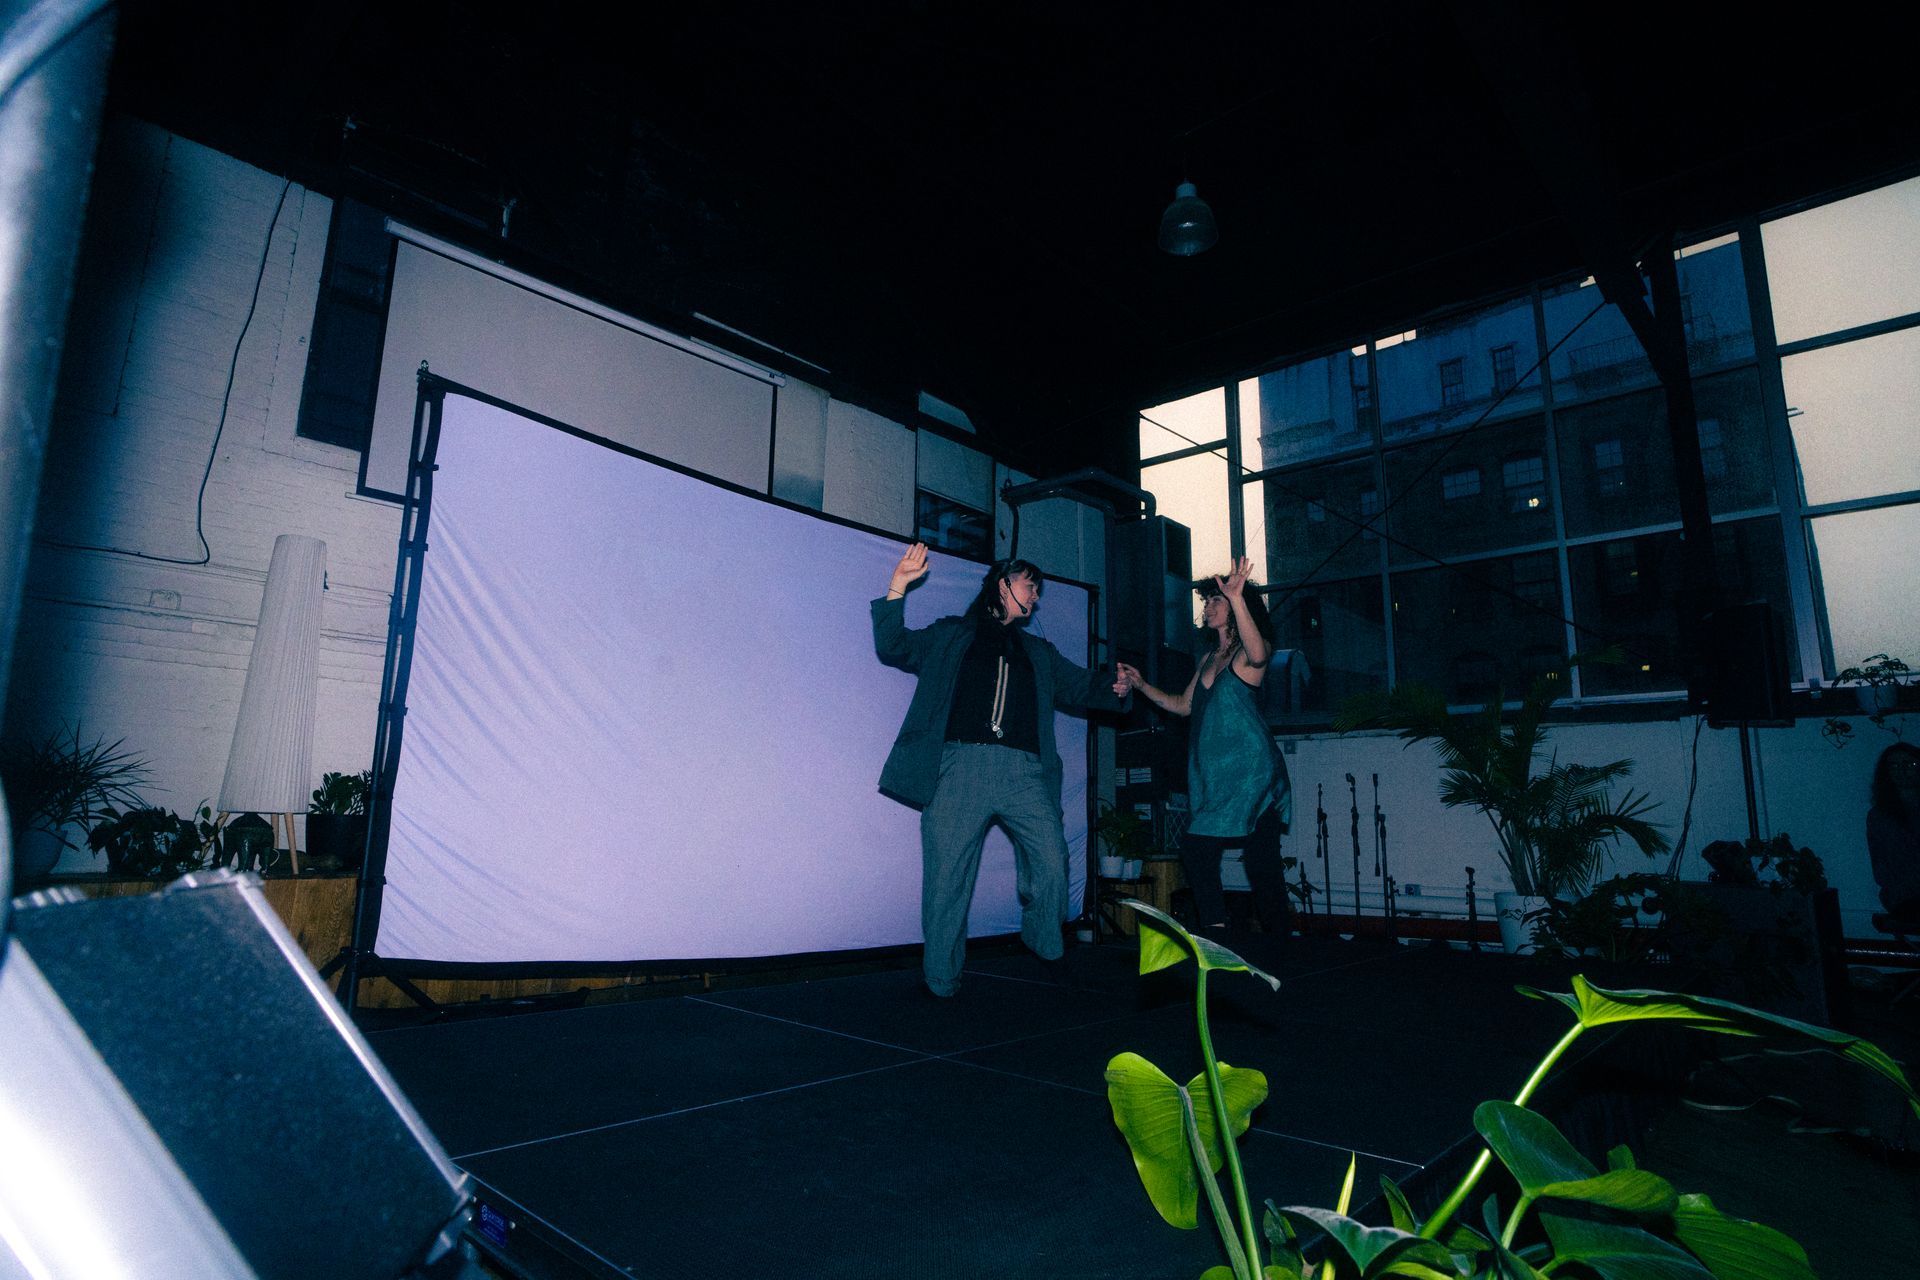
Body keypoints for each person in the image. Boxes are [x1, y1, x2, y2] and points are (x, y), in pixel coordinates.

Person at [873, 543, 1130, 997]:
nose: (1035, 598)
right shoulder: (952, 634)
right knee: (946, 879)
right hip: (960, 769)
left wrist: (1117, 684)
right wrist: (898, 586)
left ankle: (1045, 943)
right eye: (1030, 587)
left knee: (1052, 863)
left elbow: (1082, 685)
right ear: (1003, 584)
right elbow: (894, 645)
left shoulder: (1038, 651)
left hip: (1025, 773)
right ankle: (941, 980)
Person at [1115, 557, 1293, 950]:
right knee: (1227, 857)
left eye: (1216, 600)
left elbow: (1261, 654)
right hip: (1217, 775)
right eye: (1208, 600)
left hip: (1252, 774)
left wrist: (1238, 596)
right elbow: (1182, 705)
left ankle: (1263, 944)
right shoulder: (1208, 659)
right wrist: (1142, 685)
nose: (1208, 607)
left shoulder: (1248, 655)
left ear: (1235, 605)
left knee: (1236, 858)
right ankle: (1223, 938)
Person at [1867, 741, 1920, 925]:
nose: (1902, 770)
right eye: (1895, 766)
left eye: (1909, 764)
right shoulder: (1880, 816)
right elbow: (1883, 867)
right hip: (1904, 896)